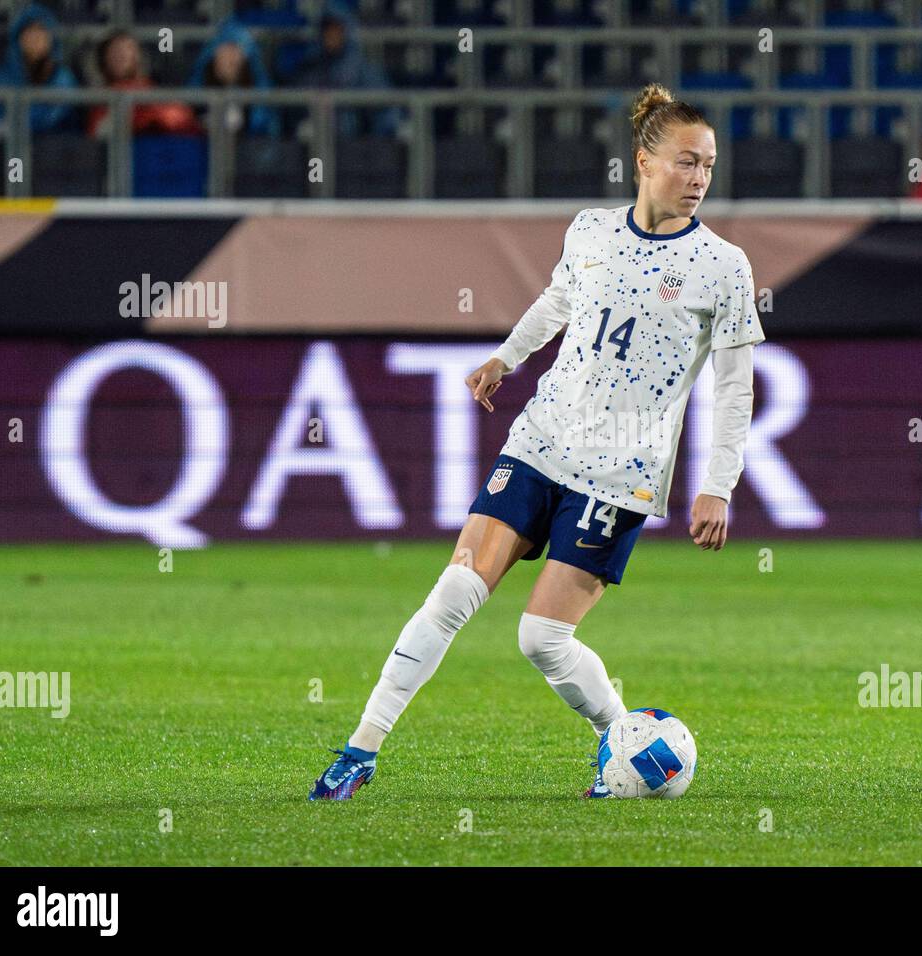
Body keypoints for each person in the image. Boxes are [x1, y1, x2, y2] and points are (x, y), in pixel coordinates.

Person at [309, 82, 765, 801]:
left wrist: (719, 483)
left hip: (621, 473)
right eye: (686, 162)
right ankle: (360, 751)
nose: (700, 179)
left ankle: (621, 740)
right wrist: (506, 356)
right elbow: (560, 298)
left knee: (541, 641)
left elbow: (735, 385)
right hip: (543, 439)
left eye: (709, 165)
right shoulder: (589, 230)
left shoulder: (724, 267)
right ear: (643, 162)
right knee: (453, 593)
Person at [291, 0, 402, 138]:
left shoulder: (364, 71)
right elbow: (295, 110)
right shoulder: (312, 70)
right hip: (320, 148)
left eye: (336, 30)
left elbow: (386, 114)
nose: (330, 36)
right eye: (326, 30)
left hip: (355, 149)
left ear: (345, 31)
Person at [0, 3, 78, 137]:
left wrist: (23, 125)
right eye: (29, 32)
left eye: (41, 32)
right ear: (18, 39)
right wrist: (1, 127)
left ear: (51, 39)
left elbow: (62, 116)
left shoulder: (63, 77)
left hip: (55, 149)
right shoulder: (2, 76)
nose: (35, 38)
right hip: (8, 152)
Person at [85, 30, 200, 138]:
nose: (122, 55)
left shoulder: (151, 91)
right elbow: (99, 133)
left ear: (138, 55)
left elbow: (178, 118)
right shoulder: (99, 100)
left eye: (128, 49)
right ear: (104, 58)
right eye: (115, 51)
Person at [187, 17, 281, 137]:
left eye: (235, 51)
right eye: (225, 51)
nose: (230, 58)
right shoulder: (196, 93)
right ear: (213, 54)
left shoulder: (260, 97)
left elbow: (268, 133)